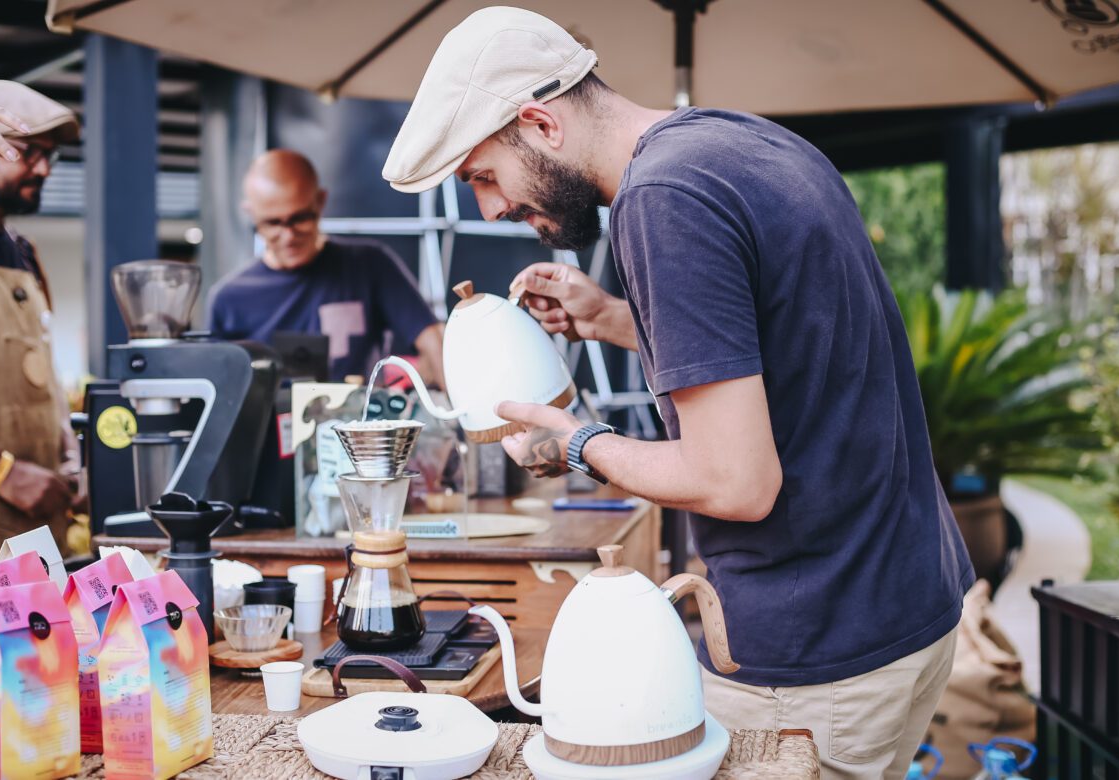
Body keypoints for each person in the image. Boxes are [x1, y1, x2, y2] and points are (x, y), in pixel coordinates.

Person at [383, 8, 974, 779]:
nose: (491, 210)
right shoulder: (738, 139)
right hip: (906, 601)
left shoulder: (661, 200)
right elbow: (793, 344)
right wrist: (616, 319)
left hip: (817, 649)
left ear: (539, 122)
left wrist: (579, 442)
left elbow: (737, 482)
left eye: (484, 176)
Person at [208, 149, 445, 386]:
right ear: (252, 214)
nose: (288, 235)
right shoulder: (228, 299)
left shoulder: (370, 264)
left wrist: (461, 414)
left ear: (320, 202)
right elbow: (218, 385)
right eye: (272, 223)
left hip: (358, 420)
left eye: (299, 218)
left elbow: (431, 338)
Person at [0, 81, 80, 566]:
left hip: (39, 512)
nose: (43, 168)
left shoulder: (23, 253)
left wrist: (70, 459)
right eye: (28, 150)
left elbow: (43, 376)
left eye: (49, 155)